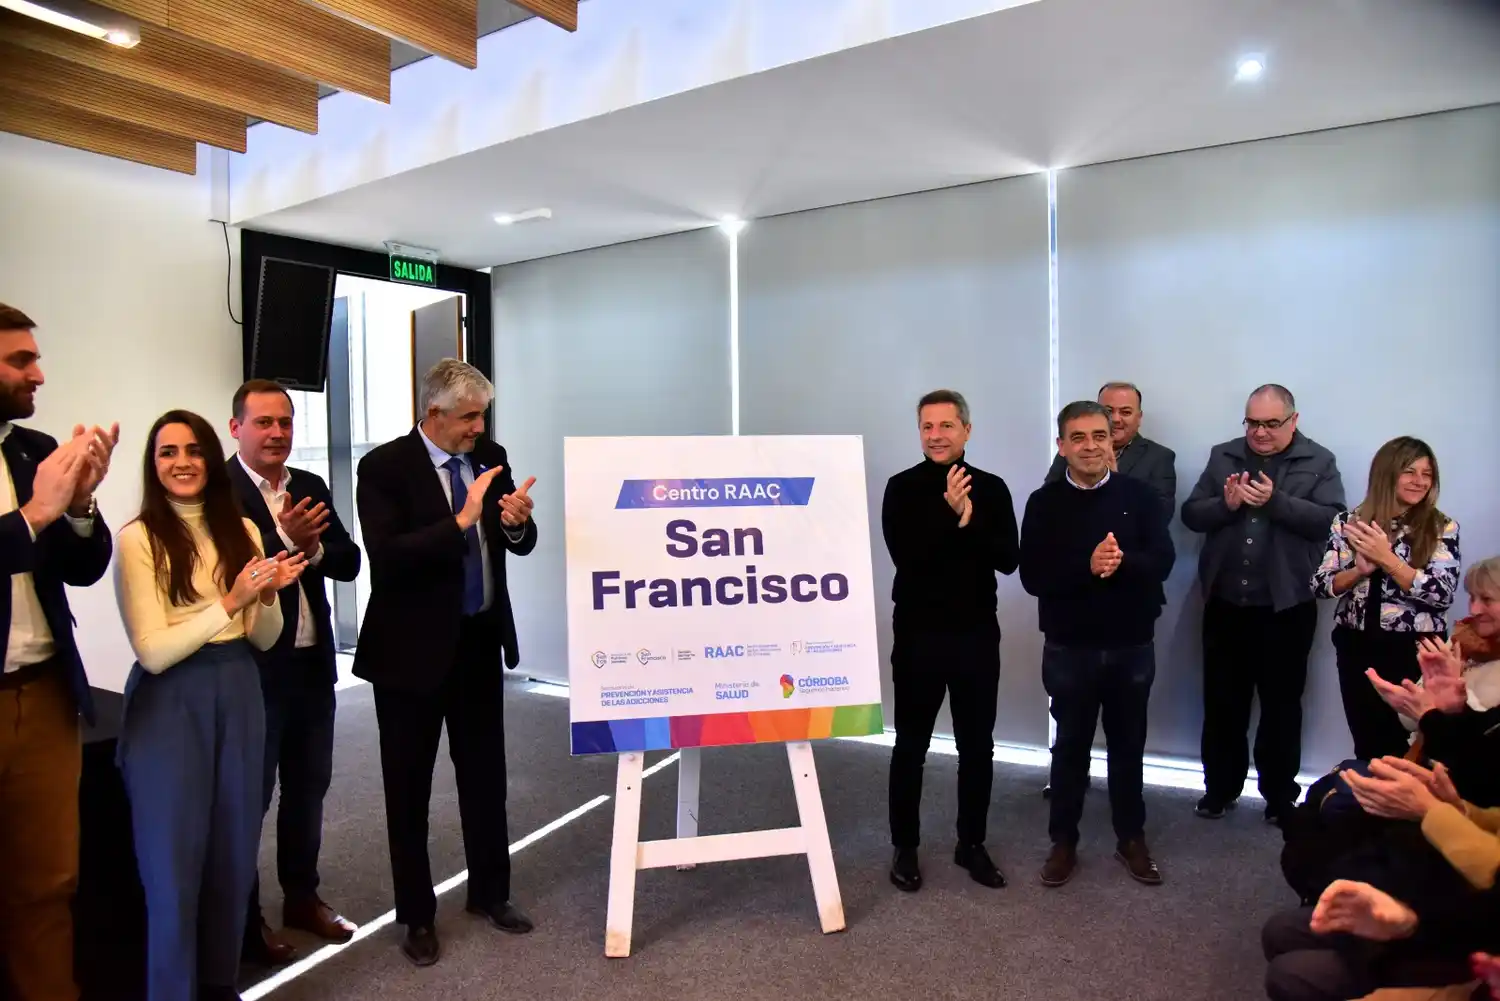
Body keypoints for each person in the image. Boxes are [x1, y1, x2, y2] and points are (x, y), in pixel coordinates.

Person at [115, 410, 306, 1001]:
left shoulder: (245, 531)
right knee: (172, 868)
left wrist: (269, 596)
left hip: (240, 692)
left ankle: (221, 983)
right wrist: (231, 600)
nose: (182, 462)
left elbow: (266, 636)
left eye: (194, 450)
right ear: (153, 465)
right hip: (170, 704)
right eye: (168, 452)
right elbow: (152, 652)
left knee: (232, 854)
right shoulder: (137, 538)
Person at [354, 359, 537, 967]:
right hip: (409, 654)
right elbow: (388, 555)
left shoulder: (491, 455)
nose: (479, 427)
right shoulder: (383, 467)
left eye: (482, 415)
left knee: (486, 778)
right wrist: (458, 521)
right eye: (468, 416)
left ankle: (491, 894)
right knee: (409, 788)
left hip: (478, 641)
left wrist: (515, 525)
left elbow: (517, 541)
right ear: (433, 414)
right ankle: (417, 917)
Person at [0, 303, 116, 1001]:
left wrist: (79, 508)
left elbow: (82, 566)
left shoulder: (34, 448)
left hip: (45, 696)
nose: (39, 373)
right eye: (20, 360)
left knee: (47, 882)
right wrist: (36, 513)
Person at [227, 380, 363, 963]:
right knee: (249, 799)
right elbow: (231, 577)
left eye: (285, 421)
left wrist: (315, 549)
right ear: (237, 428)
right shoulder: (219, 493)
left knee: (308, 789)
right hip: (254, 674)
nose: (278, 432)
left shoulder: (308, 487)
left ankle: (302, 898)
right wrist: (287, 539)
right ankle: (243, 920)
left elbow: (351, 561)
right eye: (264, 422)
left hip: (312, 666)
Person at [1021, 400, 1174, 887]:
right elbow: (1032, 576)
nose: (1091, 446)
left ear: (1113, 443)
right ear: (1062, 446)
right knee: (1070, 749)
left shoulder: (1141, 496)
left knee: (1129, 747)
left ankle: (1131, 838)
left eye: (1100, 436)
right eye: (1079, 438)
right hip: (1070, 647)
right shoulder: (1043, 503)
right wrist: (1086, 566)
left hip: (1131, 644)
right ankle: (1063, 842)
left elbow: (1163, 562)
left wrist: (1120, 561)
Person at [1183, 384, 1345, 825]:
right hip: (1225, 603)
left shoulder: (1319, 461)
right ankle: (1219, 790)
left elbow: (1332, 523)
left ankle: (1278, 796)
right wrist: (1227, 503)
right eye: (1252, 422)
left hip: (1286, 606)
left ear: (1293, 421)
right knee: (1222, 703)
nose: (1260, 432)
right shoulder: (1224, 456)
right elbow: (1192, 514)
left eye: (1271, 423)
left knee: (1281, 705)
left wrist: (1277, 502)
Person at [882, 389, 1019, 893]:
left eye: (946, 426)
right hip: (918, 635)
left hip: (976, 636)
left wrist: (969, 516)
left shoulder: (992, 488)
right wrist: (948, 514)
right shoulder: (900, 488)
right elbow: (910, 557)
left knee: (976, 746)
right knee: (910, 746)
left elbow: (1008, 558)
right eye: (927, 427)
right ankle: (905, 846)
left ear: (966, 430)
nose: (936, 435)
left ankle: (971, 844)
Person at [1312, 437, 1459, 761]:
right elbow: (1321, 585)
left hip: (1416, 650)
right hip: (1357, 646)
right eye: (1410, 472)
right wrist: (1359, 570)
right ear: (1387, 473)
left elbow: (1442, 594)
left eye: (1427, 474)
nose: (1420, 481)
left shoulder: (1441, 527)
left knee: (1411, 748)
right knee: (1367, 743)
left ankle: (1410, 811)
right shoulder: (1349, 523)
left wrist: (1389, 560)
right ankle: (1368, 808)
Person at [1045, 382, 1177, 519]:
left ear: (1139, 418)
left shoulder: (1159, 457)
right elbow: (1047, 503)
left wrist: (1114, 482)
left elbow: (1160, 516)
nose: (1115, 419)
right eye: (1108, 411)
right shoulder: (1074, 452)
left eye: (1125, 412)